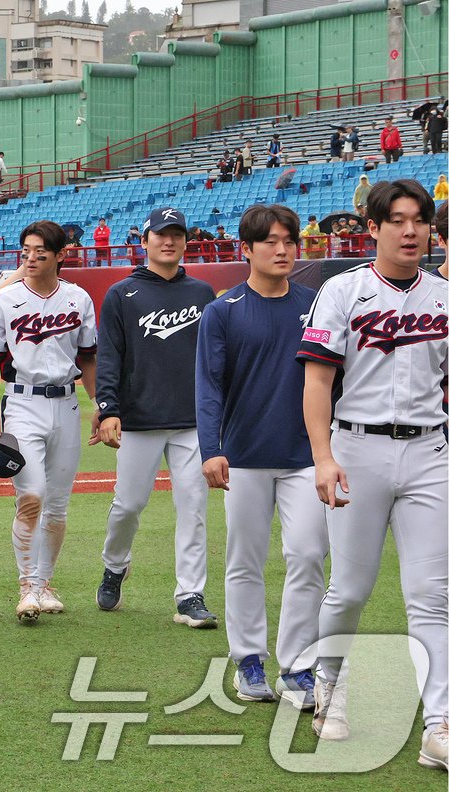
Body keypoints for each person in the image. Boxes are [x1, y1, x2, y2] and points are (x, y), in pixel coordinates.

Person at [297, 179, 446, 770]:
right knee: (351, 589)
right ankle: (328, 683)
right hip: (356, 448)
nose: (411, 231)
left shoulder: (444, 295)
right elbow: (316, 382)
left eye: (420, 221)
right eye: (399, 220)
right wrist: (323, 456)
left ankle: (439, 724)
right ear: (376, 227)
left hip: (430, 452)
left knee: (432, 595)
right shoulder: (342, 290)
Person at [196, 204, 327, 709]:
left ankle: (297, 668)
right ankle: (249, 661)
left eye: (289, 241)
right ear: (245, 249)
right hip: (244, 458)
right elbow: (208, 386)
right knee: (244, 561)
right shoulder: (223, 311)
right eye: (270, 241)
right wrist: (212, 449)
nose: (282, 249)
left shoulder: (317, 305)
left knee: (308, 555)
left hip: (305, 456)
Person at [93, 207, 218, 628]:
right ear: (144, 240)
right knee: (128, 505)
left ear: (185, 241)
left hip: (191, 421)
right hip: (139, 419)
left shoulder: (202, 293)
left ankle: (190, 594)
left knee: (194, 506)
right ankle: (115, 565)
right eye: (161, 234)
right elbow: (109, 356)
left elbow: (213, 359)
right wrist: (108, 408)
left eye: (177, 234)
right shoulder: (122, 293)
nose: (169, 241)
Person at [0, 220, 97, 622]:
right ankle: (27, 585)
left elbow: (89, 356)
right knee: (31, 497)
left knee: (59, 506)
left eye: (40, 251)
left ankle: (45, 584)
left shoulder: (78, 299)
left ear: (61, 254)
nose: (31, 257)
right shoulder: (4, 301)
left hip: (66, 404)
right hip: (22, 404)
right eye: (26, 250)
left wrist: (100, 403)